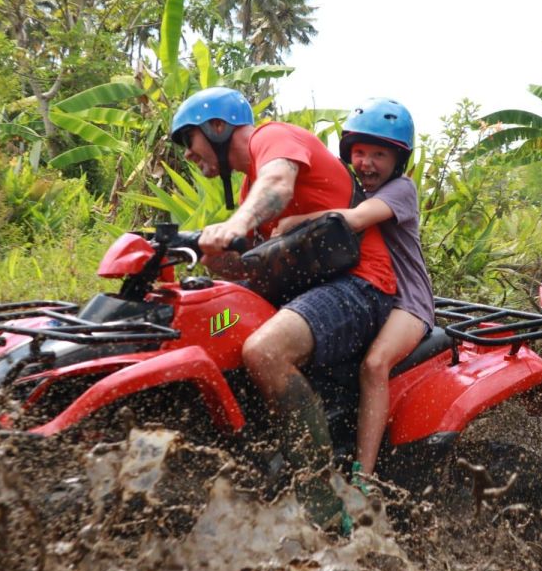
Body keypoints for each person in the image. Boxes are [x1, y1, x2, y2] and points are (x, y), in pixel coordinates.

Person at [168, 87, 397, 526]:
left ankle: (326, 509)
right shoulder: (249, 190)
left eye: (189, 141)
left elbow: (278, 184)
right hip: (309, 292)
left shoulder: (273, 138)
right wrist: (212, 256)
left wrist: (235, 225)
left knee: (264, 351)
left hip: (361, 284)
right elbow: (250, 259)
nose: (188, 155)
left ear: (218, 127)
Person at [273, 98, 433, 480]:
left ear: (398, 161)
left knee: (375, 365)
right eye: (359, 152)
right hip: (371, 293)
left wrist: (294, 219)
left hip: (408, 302)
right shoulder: (351, 190)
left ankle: (364, 474)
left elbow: (357, 220)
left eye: (379, 154)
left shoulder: (400, 191)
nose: (367, 162)